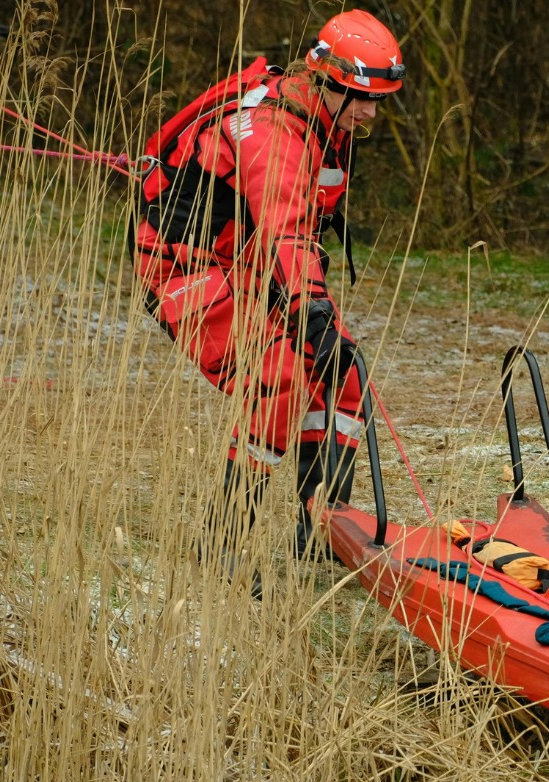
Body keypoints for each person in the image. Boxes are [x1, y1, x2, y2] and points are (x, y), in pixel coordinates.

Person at [134, 11, 404, 572]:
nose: (371, 113)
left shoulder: (325, 123)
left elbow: (296, 232)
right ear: (325, 79)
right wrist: (311, 310)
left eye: (379, 100)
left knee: (344, 377)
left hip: (254, 265)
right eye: (362, 98)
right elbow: (286, 229)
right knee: (279, 377)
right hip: (183, 268)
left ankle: (324, 535)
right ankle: (221, 546)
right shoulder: (274, 135)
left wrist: (314, 312)